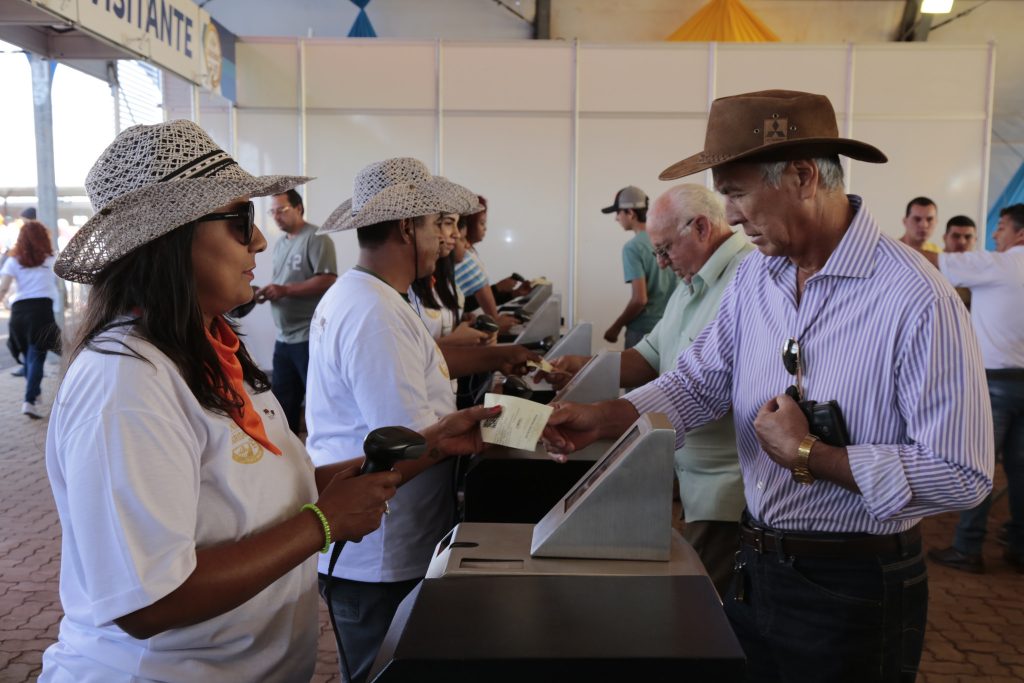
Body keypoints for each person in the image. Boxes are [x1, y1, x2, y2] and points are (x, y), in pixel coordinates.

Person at [542, 90, 993, 683]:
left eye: (736, 190)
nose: (728, 215)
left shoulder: (913, 298)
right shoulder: (757, 275)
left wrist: (814, 455)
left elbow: (963, 472)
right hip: (759, 565)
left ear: (804, 176)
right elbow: (700, 382)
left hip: (852, 585)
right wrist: (605, 418)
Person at [38, 121, 493, 682]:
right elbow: (145, 601)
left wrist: (432, 443)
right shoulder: (124, 384)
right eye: (240, 221)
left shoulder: (210, 353)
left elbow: (264, 498)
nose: (258, 241)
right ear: (171, 237)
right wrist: (322, 524)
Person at [306, 158, 523, 683]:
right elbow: (405, 445)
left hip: (387, 542)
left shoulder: (375, 298)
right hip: (382, 550)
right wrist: (495, 432)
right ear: (408, 226)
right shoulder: (374, 312)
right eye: (436, 224)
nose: (445, 239)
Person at [543, 184, 753, 595]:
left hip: (726, 487)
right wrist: (581, 367)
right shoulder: (692, 280)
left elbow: (698, 386)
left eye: (665, 249)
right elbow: (649, 357)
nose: (660, 262)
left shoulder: (745, 279)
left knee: (698, 609)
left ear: (701, 229)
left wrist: (604, 417)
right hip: (689, 477)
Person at [927, 204, 1024, 574]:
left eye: (1001, 227)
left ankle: (968, 547)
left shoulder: (1002, 264)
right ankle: (1019, 547)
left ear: (1019, 233)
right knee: (1020, 472)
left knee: (979, 466)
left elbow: (936, 261)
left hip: (996, 382)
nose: (995, 235)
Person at [255, 188, 337, 434]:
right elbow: (283, 281)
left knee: (318, 403)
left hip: (308, 337)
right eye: (272, 212)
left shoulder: (317, 238)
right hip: (284, 338)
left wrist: (285, 290)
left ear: (299, 208)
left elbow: (328, 279)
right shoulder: (281, 243)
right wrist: (267, 292)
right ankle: (289, 457)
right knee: (282, 404)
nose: (276, 216)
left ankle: (322, 459)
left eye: (282, 210)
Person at [600, 185, 678, 348]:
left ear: (630, 213)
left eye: (618, 212)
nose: (616, 218)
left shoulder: (633, 247)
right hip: (671, 328)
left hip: (643, 332)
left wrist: (615, 327)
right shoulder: (665, 238)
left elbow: (639, 299)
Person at [0, 220, 61, 417]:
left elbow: (3, 287)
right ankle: (29, 399)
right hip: (42, 311)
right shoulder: (50, 260)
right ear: (44, 238)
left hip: (19, 312)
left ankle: (33, 392)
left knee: (28, 354)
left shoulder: (13, 261)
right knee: (37, 355)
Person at [454, 197, 518, 333]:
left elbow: (468, 301)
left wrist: (512, 293)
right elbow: (481, 298)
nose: (485, 228)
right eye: (482, 223)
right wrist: (496, 320)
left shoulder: (468, 254)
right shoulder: (465, 259)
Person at [942, 214, 978, 308]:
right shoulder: (929, 266)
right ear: (945, 238)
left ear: (975, 240)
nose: (962, 242)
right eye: (956, 236)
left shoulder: (981, 271)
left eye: (968, 237)